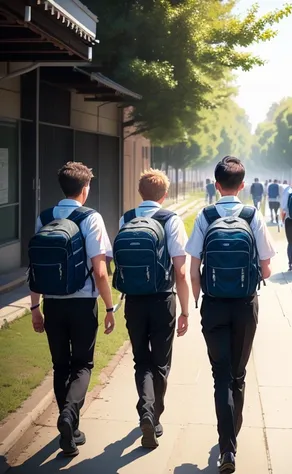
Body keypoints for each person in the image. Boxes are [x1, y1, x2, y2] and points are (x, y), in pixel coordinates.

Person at [186, 156, 275, 473]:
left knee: (220, 375)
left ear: (216, 184)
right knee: (238, 374)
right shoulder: (253, 215)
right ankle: (230, 442)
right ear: (243, 185)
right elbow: (266, 266)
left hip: (213, 304)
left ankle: (228, 448)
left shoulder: (205, 216)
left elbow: (193, 268)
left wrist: (196, 303)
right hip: (245, 304)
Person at [29, 162, 115, 457]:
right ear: (85, 189)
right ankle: (69, 418)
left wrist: (34, 307)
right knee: (83, 365)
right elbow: (100, 271)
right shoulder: (91, 218)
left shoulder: (43, 218)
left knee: (60, 366)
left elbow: (36, 267)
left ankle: (70, 432)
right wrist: (110, 307)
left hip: (52, 304)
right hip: (82, 303)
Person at [115, 169, 190, 449]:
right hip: (162, 299)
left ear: (140, 193)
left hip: (133, 300)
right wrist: (185, 311)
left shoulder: (126, 218)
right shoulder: (171, 220)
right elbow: (180, 272)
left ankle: (145, 410)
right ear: (165, 195)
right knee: (160, 362)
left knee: (140, 360)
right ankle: (153, 416)